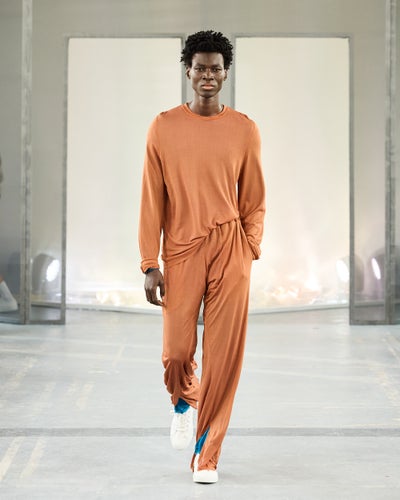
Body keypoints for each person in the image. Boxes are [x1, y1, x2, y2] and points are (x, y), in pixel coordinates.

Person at [138, 30, 265, 484]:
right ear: (187, 72)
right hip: (181, 250)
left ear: (225, 74)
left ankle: (206, 455)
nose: (207, 75)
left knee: (223, 357)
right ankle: (182, 400)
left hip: (230, 249)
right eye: (199, 68)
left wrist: (249, 248)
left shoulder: (244, 129)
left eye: (215, 68)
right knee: (176, 352)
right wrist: (149, 263)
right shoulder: (163, 127)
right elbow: (152, 199)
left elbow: (254, 198)